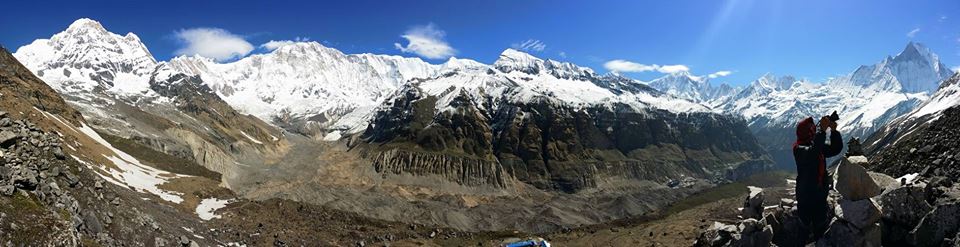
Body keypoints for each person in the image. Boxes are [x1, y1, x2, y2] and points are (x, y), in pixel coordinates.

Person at [793, 115, 842, 242]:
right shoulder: (799, 149)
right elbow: (813, 153)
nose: (813, 130)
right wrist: (822, 132)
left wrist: (834, 131)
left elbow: (836, 149)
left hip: (819, 195)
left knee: (820, 228)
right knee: (803, 228)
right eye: (811, 129)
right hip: (806, 197)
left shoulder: (814, 145)